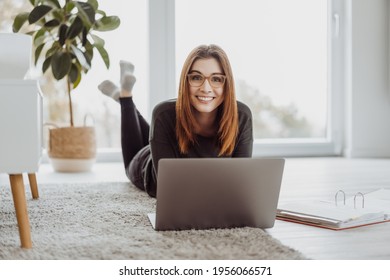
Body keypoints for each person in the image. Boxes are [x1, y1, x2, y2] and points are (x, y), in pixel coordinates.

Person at [98, 44, 253, 197]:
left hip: (163, 143)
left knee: (160, 122)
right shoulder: (164, 114)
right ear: (185, 82)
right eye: (196, 77)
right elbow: (171, 190)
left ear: (227, 85)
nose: (206, 88)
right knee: (132, 160)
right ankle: (125, 97)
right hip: (150, 167)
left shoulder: (242, 116)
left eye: (217, 79)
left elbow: (239, 184)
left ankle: (123, 95)